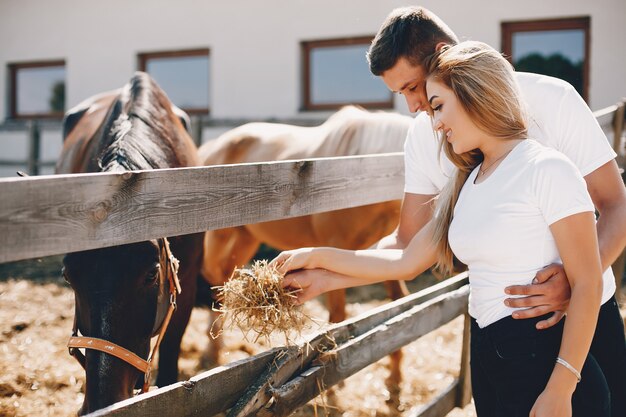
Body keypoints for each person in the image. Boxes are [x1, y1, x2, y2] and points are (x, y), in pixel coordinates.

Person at [279, 6, 626, 416]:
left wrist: (573, 283)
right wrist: (325, 277)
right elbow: (409, 248)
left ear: (443, 57)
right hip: (497, 336)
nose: (413, 107)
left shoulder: (552, 103)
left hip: (586, 317)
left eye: (413, 88)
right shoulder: (445, 151)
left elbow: (616, 203)